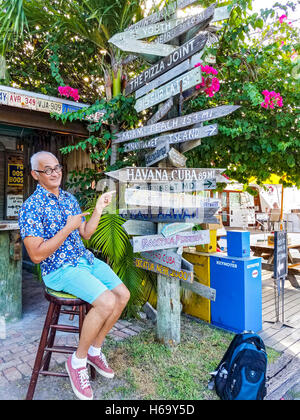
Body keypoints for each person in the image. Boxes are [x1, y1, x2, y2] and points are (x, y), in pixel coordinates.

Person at [18, 151, 130, 400]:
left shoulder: (69, 199)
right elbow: (36, 255)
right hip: (59, 270)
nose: (55, 172)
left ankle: (94, 349)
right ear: (35, 175)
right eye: (47, 169)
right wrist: (67, 228)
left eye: (57, 167)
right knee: (106, 301)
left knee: (122, 295)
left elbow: (87, 233)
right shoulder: (31, 208)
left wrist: (99, 209)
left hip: (84, 261)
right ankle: (77, 362)